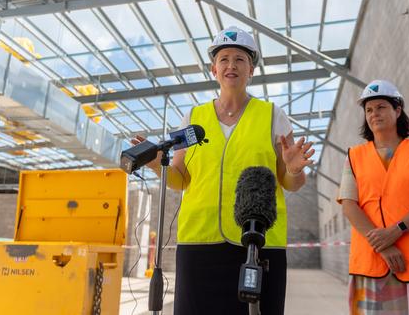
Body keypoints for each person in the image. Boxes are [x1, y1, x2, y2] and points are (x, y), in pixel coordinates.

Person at [131, 26, 314, 314]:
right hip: (199, 244)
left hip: (259, 243)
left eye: (240, 59)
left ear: (251, 70)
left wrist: (292, 169)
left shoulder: (272, 115)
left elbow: (292, 183)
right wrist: (157, 164)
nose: (231, 65)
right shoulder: (193, 117)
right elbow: (180, 180)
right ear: (213, 69)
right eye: (224, 58)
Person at [337, 80, 409, 315]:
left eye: (381, 107)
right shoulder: (354, 157)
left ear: (397, 110)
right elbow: (349, 206)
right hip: (371, 263)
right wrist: (382, 245)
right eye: (369, 110)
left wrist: (395, 231)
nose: (374, 114)